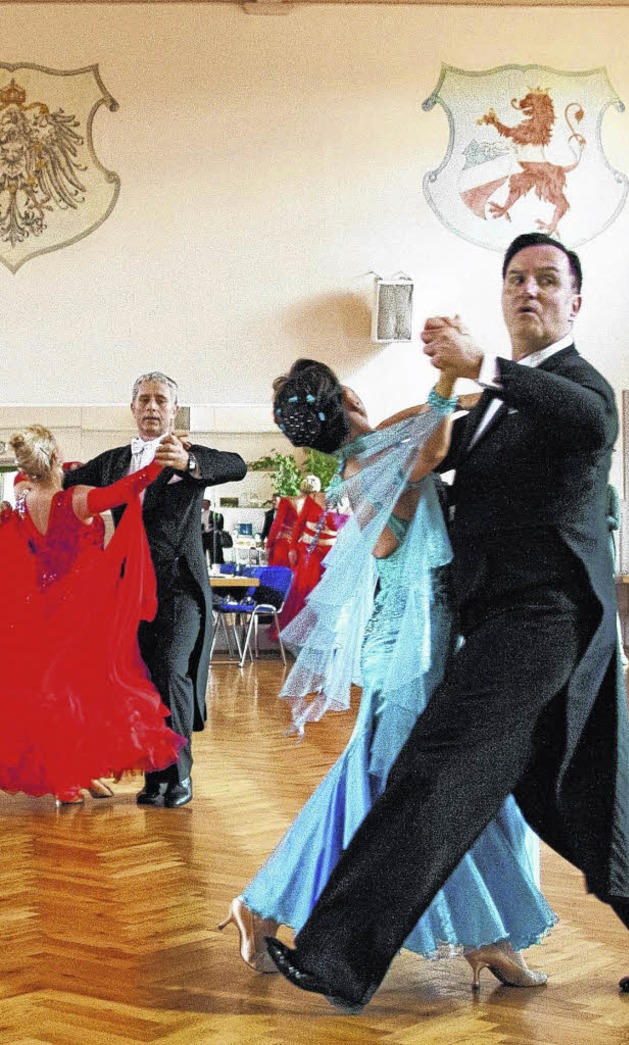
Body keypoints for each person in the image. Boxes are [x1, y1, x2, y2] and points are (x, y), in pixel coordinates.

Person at [265, 233, 629, 1009]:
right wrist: (438, 385)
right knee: (577, 805)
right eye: (515, 279)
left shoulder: (579, 386)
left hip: (547, 619)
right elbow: (425, 449)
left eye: (546, 280)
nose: (528, 291)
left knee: (435, 764)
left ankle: (337, 955)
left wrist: (481, 369)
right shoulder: (500, 404)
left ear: (576, 300)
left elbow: (590, 423)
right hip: (506, 624)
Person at [219, 357, 555, 986]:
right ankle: (489, 938)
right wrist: (450, 378)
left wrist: (463, 390)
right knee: (432, 787)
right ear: (347, 397)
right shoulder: (369, 465)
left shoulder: (376, 445)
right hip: (408, 645)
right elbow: (429, 448)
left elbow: (437, 424)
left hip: (433, 634)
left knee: (399, 786)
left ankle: (261, 908)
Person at [65, 372, 247, 808]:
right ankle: (155, 775)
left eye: (160, 400)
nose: (151, 407)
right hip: (127, 588)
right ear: (132, 408)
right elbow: (70, 485)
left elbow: (237, 464)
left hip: (178, 588)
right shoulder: (112, 461)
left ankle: (178, 775)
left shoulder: (186, 453)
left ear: (172, 410)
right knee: (141, 681)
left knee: (170, 672)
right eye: (143, 400)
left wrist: (189, 463)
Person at [0, 425, 183, 805]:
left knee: (57, 692)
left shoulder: (21, 496)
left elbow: (23, 488)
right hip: (86, 611)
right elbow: (129, 488)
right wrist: (160, 462)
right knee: (85, 692)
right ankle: (68, 781)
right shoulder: (76, 499)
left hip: (43, 608)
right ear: (53, 458)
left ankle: (76, 776)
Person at [275, 475, 348, 632]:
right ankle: (297, 630)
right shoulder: (314, 498)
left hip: (329, 556)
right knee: (304, 591)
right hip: (309, 553)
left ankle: (317, 631)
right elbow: (299, 524)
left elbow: (345, 531)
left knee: (324, 594)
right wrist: (292, 548)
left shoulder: (347, 505)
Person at [266, 489, 306, 567]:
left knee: (278, 574)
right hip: (300, 546)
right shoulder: (311, 504)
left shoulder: (286, 501)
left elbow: (277, 524)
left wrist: (269, 545)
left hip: (283, 544)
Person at [201, 498, 215, 567]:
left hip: (210, 535)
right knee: (202, 551)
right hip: (202, 535)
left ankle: (212, 565)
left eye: (206, 503)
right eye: (203, 504)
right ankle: (203, 566)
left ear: (209, 505)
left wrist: (209, 528)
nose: (204, 505)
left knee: (211, 551)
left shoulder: (213, 514)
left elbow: (216, 525)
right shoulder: (200, 514)